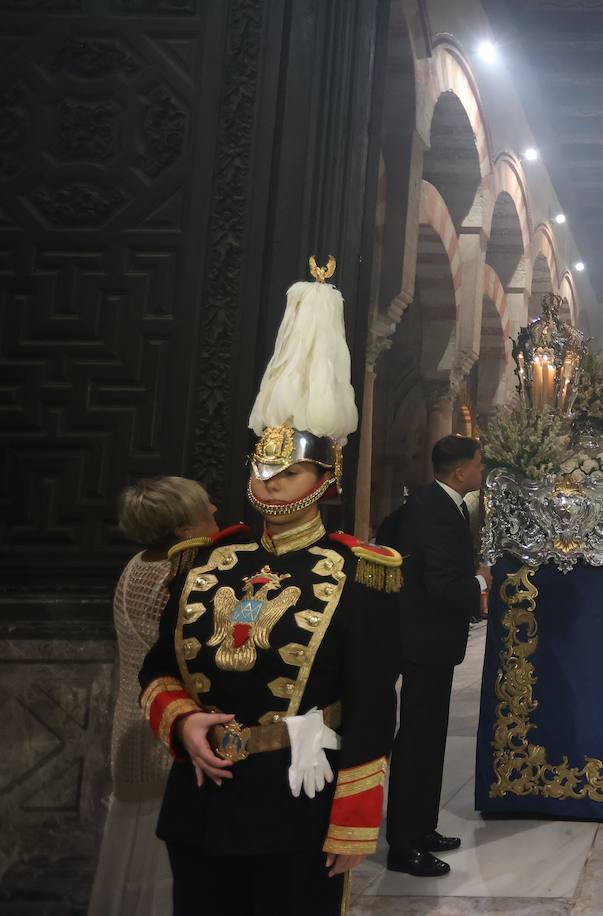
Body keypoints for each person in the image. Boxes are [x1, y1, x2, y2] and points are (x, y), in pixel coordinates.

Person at [138, 260, 402, 914]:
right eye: (263, 466)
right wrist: (184, 723)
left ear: (325, 479)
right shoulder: (204, 559)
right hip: (203, 794)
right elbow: (158, 668)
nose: (270, 480)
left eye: (289, 470)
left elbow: (372, 706)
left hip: (298, 798)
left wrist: (357, 819)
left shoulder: (359, 570)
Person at [91, 477, 219, 915]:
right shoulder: (181, 574)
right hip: (170, 730)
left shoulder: (137, 563)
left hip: (136, 724)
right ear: (184, 531)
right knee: (170, 872)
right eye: (206, 508)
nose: (216, 511)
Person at [385, 435, 491, 877]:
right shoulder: (442, 514)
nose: (482, 472)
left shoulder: (423, 503)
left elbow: (390, 540)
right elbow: (445, 585)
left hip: (421, 639)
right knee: (417, 741)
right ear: (460, 471)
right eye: (479, 465)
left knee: (428, 738)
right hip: (425, 642)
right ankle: (404, 844)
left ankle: (422, 829)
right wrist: (482, 584)